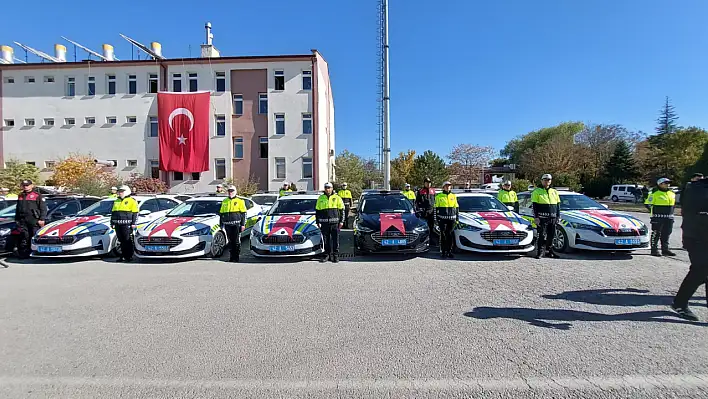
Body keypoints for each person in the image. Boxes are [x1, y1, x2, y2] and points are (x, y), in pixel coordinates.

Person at [670, 174, 708, 321]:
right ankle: (679, 304)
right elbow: (695, 214)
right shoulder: (697, 188)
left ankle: (679, 303)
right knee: (700, 270)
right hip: (697, 237)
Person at [531, 174, 561, 259]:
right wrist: (536, 217)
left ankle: (549, 252)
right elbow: (534, 206)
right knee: (541, 235)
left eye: (549, 180)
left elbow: (558, 205)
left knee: (551, 236)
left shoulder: (554, 191)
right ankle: (540, 252)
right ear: (541, 181)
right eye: (545, 179)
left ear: (550, 181)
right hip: (542, 218)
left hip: (553, 217)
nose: (547, 181)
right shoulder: (537, 191)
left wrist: (558, 216)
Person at [644, 177, 677, 257]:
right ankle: (654, 250)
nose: (667, 185)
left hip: (669, 217)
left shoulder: (672, 193)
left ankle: (665, 249)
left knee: (667, 233)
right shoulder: (654, 193)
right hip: (658, 217)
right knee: (656, 233)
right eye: (665, 183)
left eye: (668, 183)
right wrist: (654, 212)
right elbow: (648, 204)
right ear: (660, 184)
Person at [15, 180, 47, 259]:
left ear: (32, 185)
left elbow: (43, 208)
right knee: (25, 237)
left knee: (34, 236)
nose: (26, 187)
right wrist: (17, 219)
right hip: (23, 220)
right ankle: (26, 253)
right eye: (24, 185)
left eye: (27, 185)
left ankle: (36, 253)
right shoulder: (20, 195)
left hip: (34, 219)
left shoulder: (37, 195)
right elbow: (17, 208)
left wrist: (42, 219)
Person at [315, 182, 344, 263]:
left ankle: (335, 255)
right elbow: (318, 211)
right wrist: (317, 221)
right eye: (326, 188)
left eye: (329, 187)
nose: (328, 189)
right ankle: (327, 255)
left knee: (335, 240)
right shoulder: (321, 198)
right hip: (324, 223)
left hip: (335, 223)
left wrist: (341, 221)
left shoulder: (337, 197)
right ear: (324, 189)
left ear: (332, 188)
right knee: (325, 240)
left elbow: (342, 210)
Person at [110, 185, 138, 262]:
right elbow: (113, 213)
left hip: (127, 224)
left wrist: (133, 223)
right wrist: (112, 222)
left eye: (121, 192)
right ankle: (122, 256)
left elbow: (135, 213)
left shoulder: (132, 201)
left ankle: (129, 256)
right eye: (119, 192)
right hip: (117, 224)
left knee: (127, 240)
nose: (120, 193)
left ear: (126, 192)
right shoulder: (116, 201)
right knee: (121, 240)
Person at [219, 185, 247, 262]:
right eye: (229, 191)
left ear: (235, 192)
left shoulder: (240, 201)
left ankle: (236, 257)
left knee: (236, 241)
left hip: (236, 224)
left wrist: (243, 224)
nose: (230, 193)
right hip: (227, 224)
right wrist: (221, 224)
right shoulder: (224, 201)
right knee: (230, 241)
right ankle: (231, 256)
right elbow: (221, 214)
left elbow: (243, 214)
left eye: (232, 191)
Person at [434, 181, 459, 258]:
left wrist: (457, 219)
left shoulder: (453, 196)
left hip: (452, 219)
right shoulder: (438, 196)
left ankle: (449, 251)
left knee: (450, 235)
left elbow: (457, 208)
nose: (448, 187)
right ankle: (443, 251)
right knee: (443, 235)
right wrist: (435, 219)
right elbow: (435, 208)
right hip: (442, 219)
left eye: (449, 186)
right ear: (443, 187)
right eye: (446, 186)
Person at [416, 177, 437, 245]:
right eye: (427, 183)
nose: (428, 184)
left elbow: (435, 201)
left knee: (431, 226)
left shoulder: (433, 191)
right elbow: (417, 202)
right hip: (424, 212)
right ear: (424, 183)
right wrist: (420, 209)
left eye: (429, 183)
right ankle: (424, 240)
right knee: (424, 227)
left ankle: (431, 240)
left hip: (431, 211)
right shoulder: (420, 191)